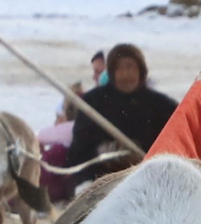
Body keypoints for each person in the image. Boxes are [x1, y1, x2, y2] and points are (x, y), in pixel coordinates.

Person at [65, 42, 180, 172]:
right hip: (100, 180)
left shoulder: (162, 106)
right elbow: (76, 155)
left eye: (130, 67)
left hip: (150, 179)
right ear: (111, 72)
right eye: (119, 68)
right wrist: (100, 154)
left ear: (141, 70)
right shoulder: (93, 103)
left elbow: (177, 149)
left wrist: (145, 154)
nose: (125, 75)